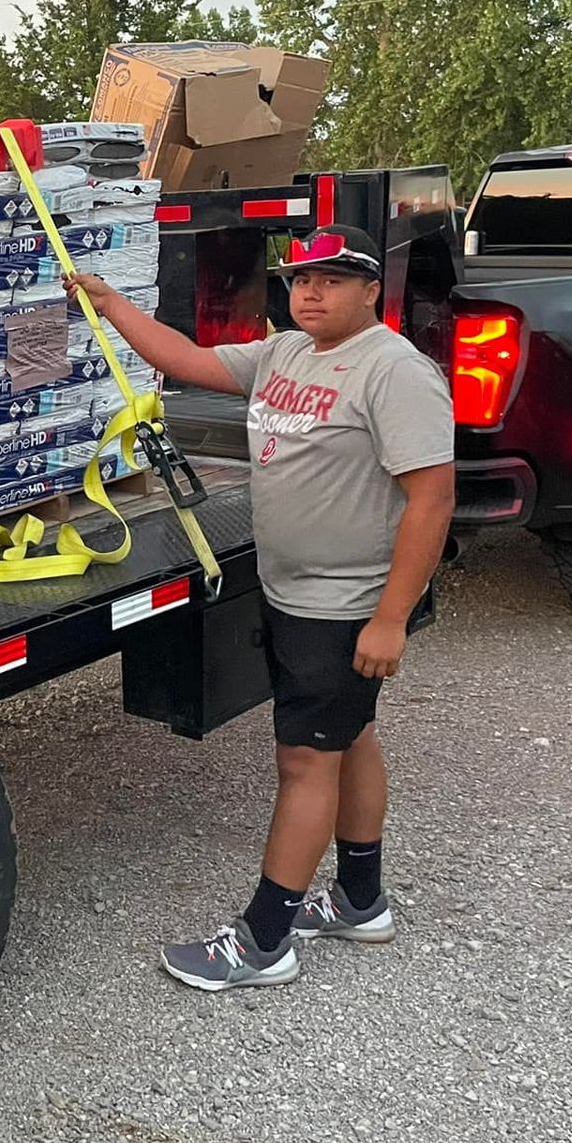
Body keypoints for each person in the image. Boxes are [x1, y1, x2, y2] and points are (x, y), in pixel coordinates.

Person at [66, 226, 454, 990]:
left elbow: (432, 500)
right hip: (292, 593)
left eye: (333, 280)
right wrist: (110, 304)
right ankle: (360, 899)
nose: (311, 292)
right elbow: (185, 361)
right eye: (301, 279)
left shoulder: (393, 371)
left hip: (345, 602)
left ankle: (264, 940)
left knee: (305, 761)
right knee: (351, 735)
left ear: (371, 289)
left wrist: (389, 616)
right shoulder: (283, 353)